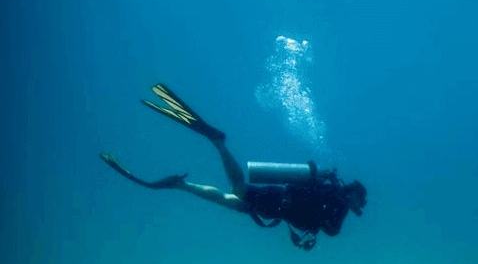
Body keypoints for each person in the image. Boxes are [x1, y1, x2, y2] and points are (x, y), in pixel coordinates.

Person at [100, 84, 367, 250]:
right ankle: (219, 144)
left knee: (231, 201)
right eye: (360, 200)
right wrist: (345, 208)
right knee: (238, 190)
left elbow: (322, 225)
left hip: (278, 204)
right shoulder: (338, 200)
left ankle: (182, 185)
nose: (360, 206)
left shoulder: (333, 194)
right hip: (277, 200)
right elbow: (332, 231)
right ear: (354, 193)